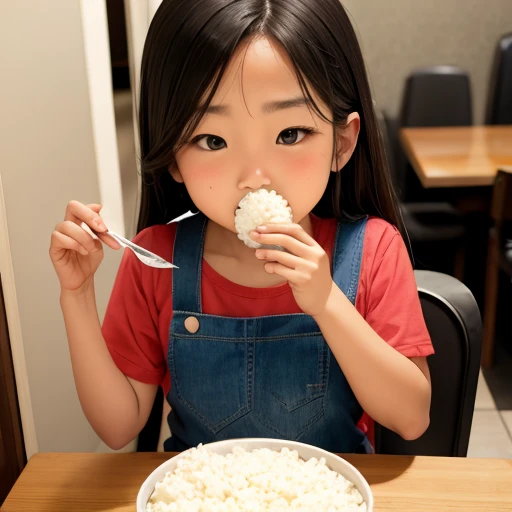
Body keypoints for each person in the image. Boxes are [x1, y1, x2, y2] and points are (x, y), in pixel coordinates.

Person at [50, 0, 433, 454]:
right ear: (173, 156)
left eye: (289, 134)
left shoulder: (372, 249)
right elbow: (118, 427)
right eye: (212, 140)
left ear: (342, 142)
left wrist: (327, 301)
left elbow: (411, 418)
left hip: (330, 494)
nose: (254, 176)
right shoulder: (156, 259)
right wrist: (76, 296)